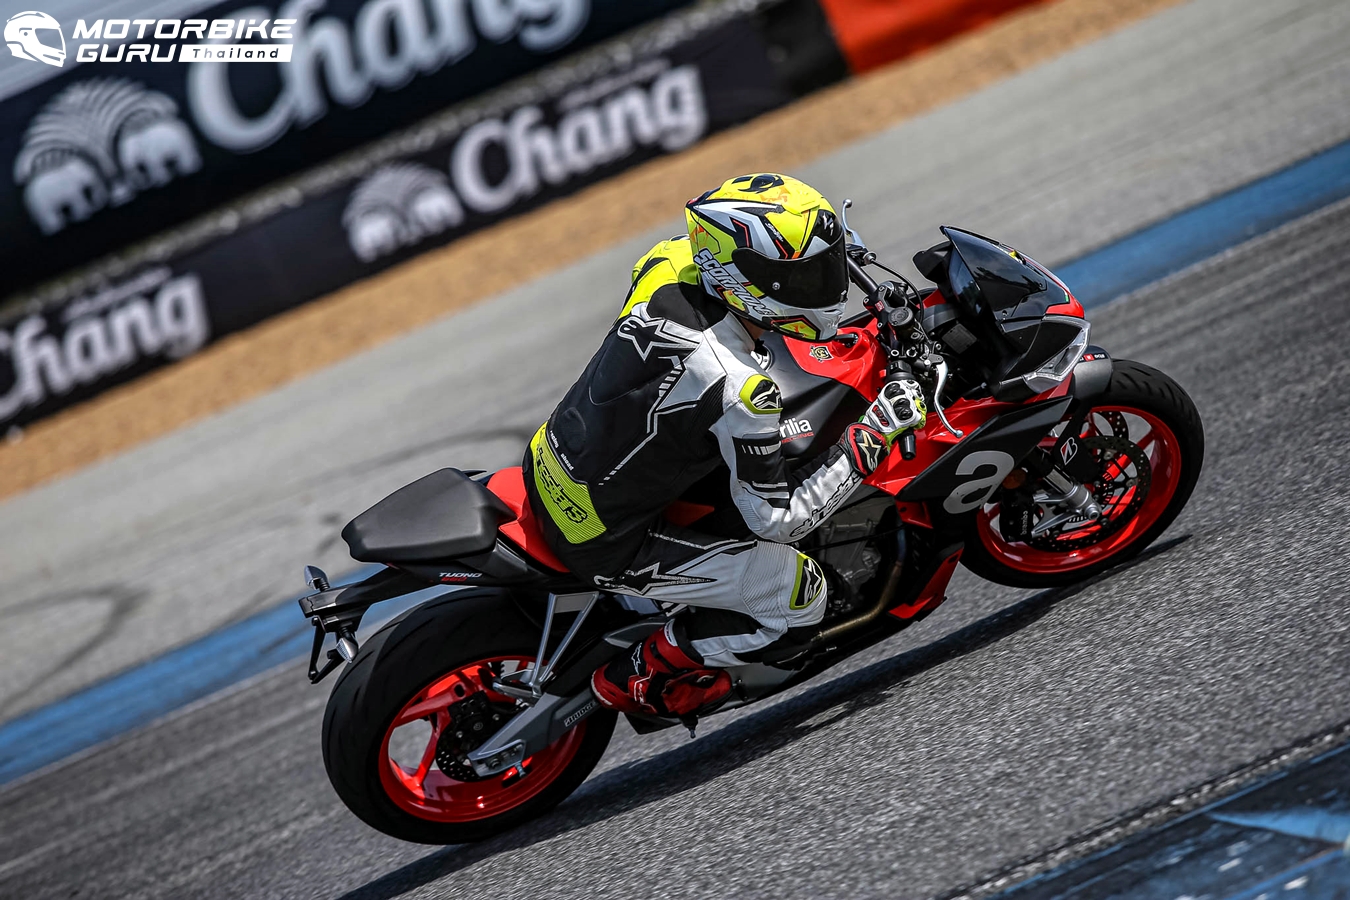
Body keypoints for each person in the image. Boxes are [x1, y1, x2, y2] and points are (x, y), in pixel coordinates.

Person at [522, 173, 926, 719]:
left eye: (827, 266)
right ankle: (641, 671)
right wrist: (875, 432)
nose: (827, 288)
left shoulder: (666, 263)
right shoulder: (739, 386)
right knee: (800, 597)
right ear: (745, 282)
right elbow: (778, 521)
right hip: (600, 537)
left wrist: (836, 255)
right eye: (807, 275)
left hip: (556, 454)